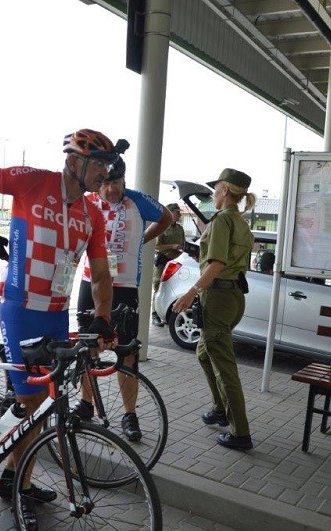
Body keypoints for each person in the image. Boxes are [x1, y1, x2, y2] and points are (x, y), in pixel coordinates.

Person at [0, 128, 120, 531]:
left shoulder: (93, 213)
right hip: (20, 308)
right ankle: (18, 489)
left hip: (55, 314)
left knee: (45, 404)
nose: (105, 173)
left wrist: (103, 318)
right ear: (74, 161)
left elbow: (100, 275)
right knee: (32, 403)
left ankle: (14, 476)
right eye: (99, 164)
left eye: (106, 166)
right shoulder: (33, 180)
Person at [74, 149, 174, 441]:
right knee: (87, 348)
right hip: (90, 283)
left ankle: (130, 415)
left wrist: (144, 239)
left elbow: (166, 217)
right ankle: (86, 403)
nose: (108, 189)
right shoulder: (88, 200)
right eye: (103, 182)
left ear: (123, 180)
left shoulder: (137, 201)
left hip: (126, 286)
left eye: (114, 182)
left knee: (126, 353)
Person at [171, 168, 256, 451]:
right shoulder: (239, 221)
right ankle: (220, 409)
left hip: (218, 297)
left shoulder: (221, 221)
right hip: (233, 297)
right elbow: (222, 258)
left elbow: (217, 264)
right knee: (204, 351)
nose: (213, 194)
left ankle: (240, 432)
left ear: (226, 191)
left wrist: (190, 292)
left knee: (224, 368)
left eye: (216, 189)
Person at [151, 202, 185, 326]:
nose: (179, 214)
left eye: (179, 212)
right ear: (170, 212)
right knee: (158, 287)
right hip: (163, 261)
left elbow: (183, 244)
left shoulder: (180, 228)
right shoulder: (162, 226)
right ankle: (155, 315)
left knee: (173, 288)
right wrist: (172, 246)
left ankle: (166, 313)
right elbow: (156, 246)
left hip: (175, 263)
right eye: (177, 212)